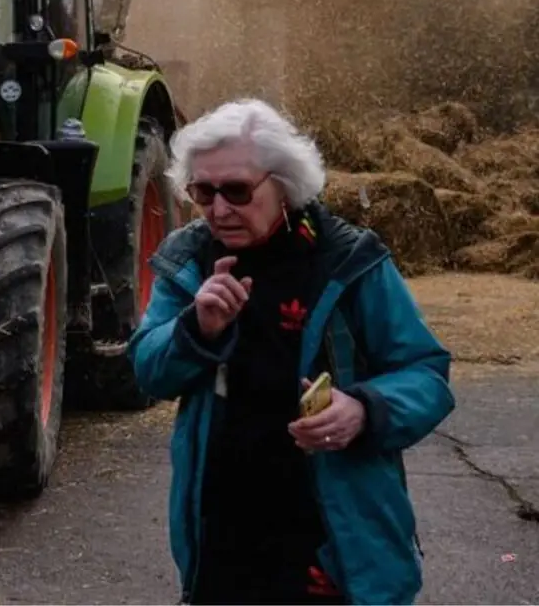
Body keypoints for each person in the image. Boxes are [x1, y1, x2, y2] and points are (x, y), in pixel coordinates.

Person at [127, 98, 456, 606]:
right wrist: (196, 328)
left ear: (283, 183)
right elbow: (148, 371)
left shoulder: (348, 260)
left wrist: (364, 410)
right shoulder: (187, 260)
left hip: (334, 541)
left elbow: (425, 372)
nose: (218, 209)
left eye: (236, 190)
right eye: (202, 191)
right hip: (224, 538)